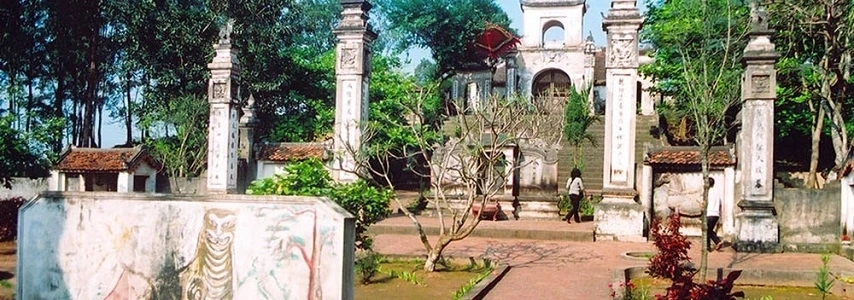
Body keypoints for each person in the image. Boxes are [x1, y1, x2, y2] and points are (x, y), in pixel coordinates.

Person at [707, 177, 723, 251]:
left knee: (707, 231)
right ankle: (716, 242)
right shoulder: (717, 192)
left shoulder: (707, 193)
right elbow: (720, 204)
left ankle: (709, 246)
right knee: (709, 230)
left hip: (709, 213)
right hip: (716, 214)